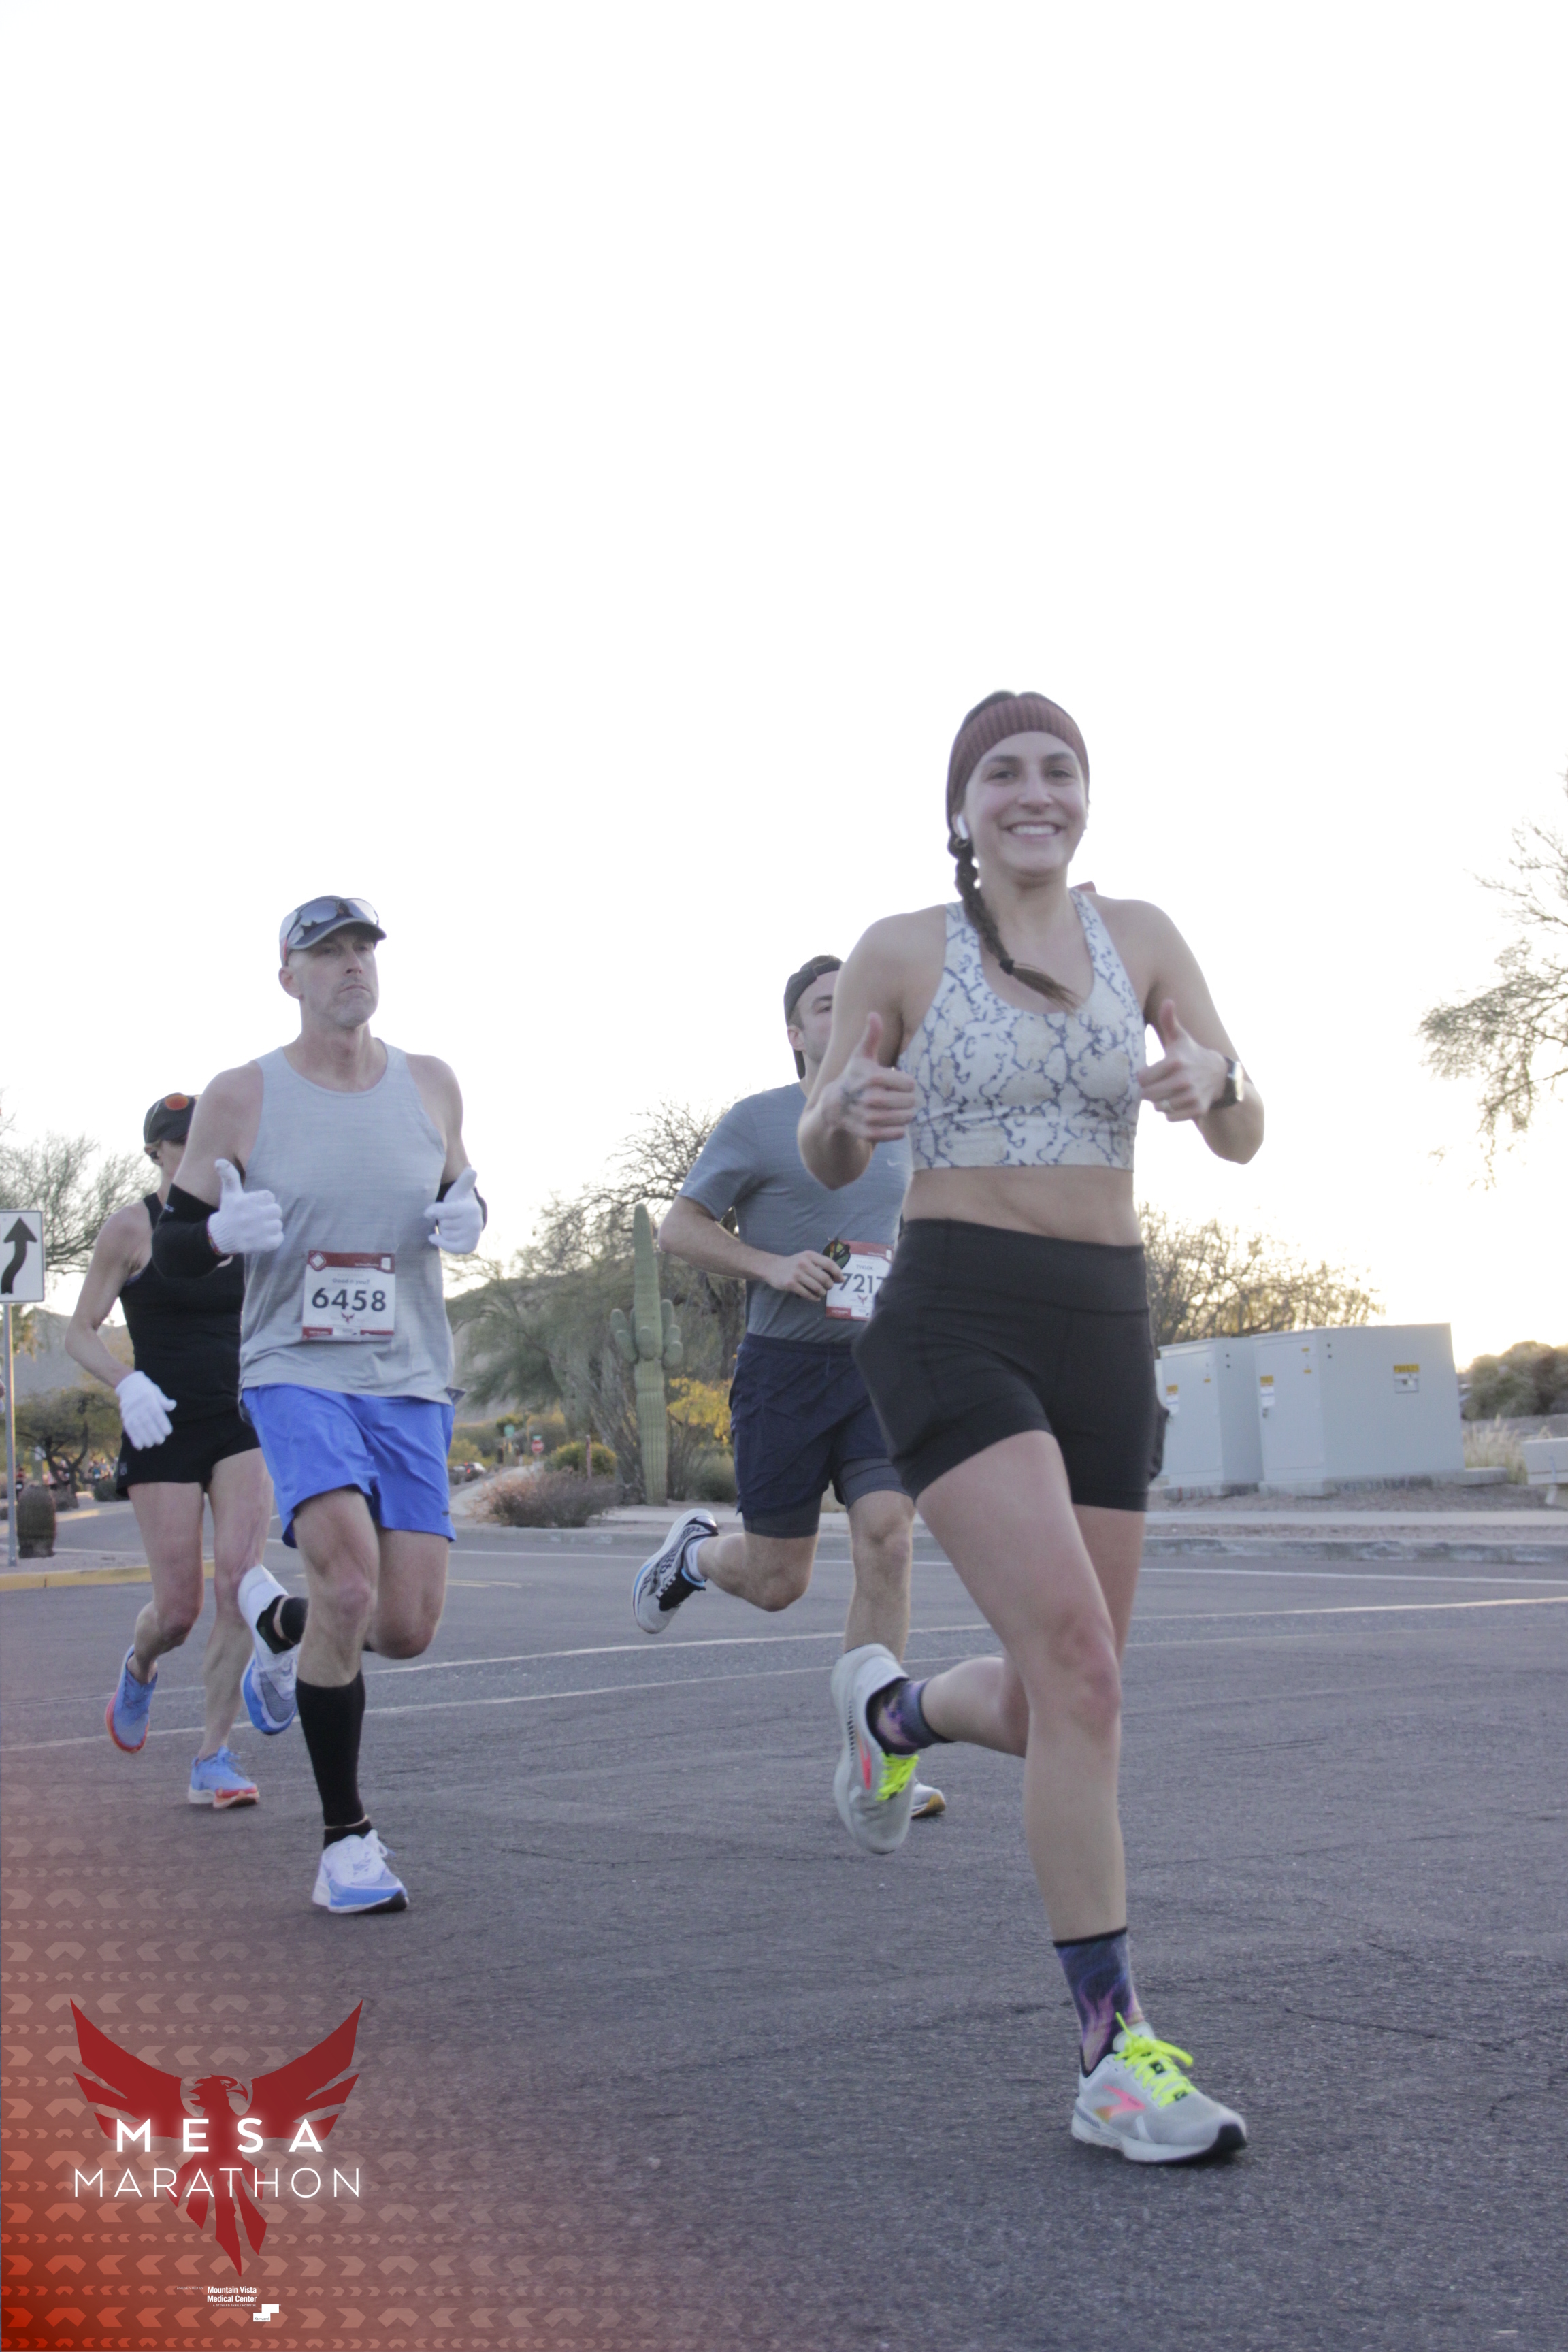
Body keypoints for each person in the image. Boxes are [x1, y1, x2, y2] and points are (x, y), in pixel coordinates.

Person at [798, 691, 1263, 2163]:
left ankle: (891, 1717)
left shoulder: (1144, 937)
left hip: (1105, 1319)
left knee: (1071, 1694)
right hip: (955, 1311)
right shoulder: (902, 950)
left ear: (1085, 795)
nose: (1032, 791)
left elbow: (1243, 1127)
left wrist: (1220, 1082)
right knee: (1078, 1667)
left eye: (1058, 768)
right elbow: (824, 1143)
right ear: (962, 808)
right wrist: (847, 1107)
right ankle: (1110, 2056)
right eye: (1001, 771)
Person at [150, 897, 486, 1915]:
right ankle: (347, 1845)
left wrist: (472, 1211)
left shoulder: (432, 1082)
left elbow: (464, 1187)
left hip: (411, 1375)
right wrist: (217, 1235)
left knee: (406, 1624)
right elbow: (173, 1245)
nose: (351, 966)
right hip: (294, 1367)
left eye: (362, 949)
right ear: (288, 977)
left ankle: (278, 1625)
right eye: (327, 953)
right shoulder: (243, 1094)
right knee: (347, 1585)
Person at [633, 957, 943, 1820]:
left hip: (878, 1370)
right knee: (778, 1582)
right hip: (785, 1371)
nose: (846, 1016)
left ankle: (877, 1754)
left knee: (889, 1539)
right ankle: (694, 1557)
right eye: (826, 1005)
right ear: (797, 1032)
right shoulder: (760, 1121)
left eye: (859, 1003)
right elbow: (678, 1228)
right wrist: (770, 1265)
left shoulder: (903, 1121)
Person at [65, 1092, 274, 1808]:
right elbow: (79, 1331)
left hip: (239, 1418)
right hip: (161, 1425)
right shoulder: (132, 1227)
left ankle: (213, 1756)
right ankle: (141, 1666)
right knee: (178, 1612)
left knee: (239, 1585)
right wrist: (126, 1384)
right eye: (181, 1142)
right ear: (156, 1152)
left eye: (207, 1139)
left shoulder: (245, 1218)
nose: (197, 1153)